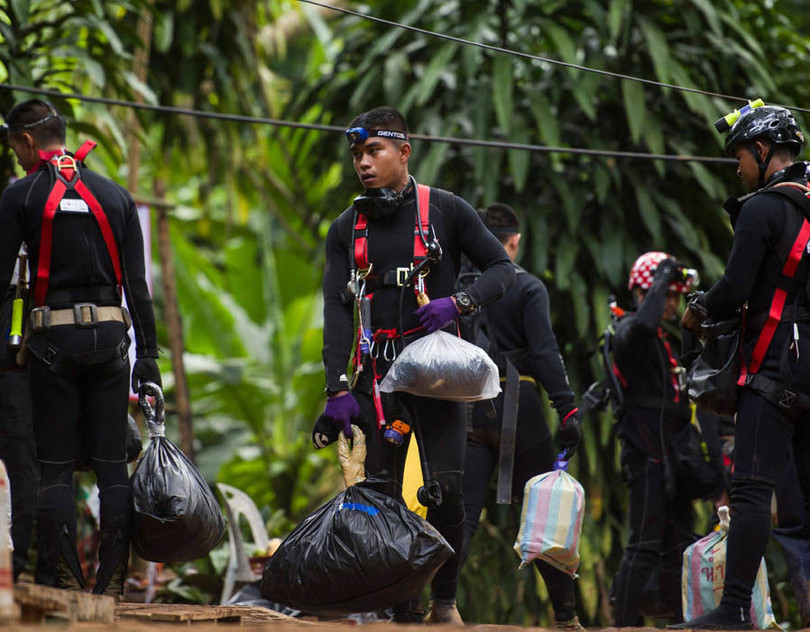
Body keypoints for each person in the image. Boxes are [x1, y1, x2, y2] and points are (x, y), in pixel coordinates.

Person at [318, 106, 514, 623]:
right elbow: (336, 309)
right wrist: (336, 387)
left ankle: (444, 603)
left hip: (437, 377)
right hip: (377, 381)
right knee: (381, 495)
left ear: (404, 152)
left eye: (374, 151)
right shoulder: (346, 227)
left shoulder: (445, 210)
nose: (363, 162)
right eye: (357, 154)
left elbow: (502, 270)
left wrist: (462, 303)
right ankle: (399, 608)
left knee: (446, 489)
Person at [0, 99, 160, 595]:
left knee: (55, 467)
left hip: (54, 344)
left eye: (16, 151)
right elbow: (138, 284)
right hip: (112, 342)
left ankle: (67, 581)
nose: (18, 161)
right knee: (113, 466)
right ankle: (111, 581)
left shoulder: (20, 196)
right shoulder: (115, 197)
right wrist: (148, 360)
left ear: (28, 142)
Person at [677, 103, 810, 629]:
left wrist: (700, 305)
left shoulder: (762, 208)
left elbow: (735, 288)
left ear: (763, 151)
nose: (738, 168)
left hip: (774, 361)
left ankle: (732, 611)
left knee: (753, 487)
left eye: (740, 156)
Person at [452, 203, 584, 629]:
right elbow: (545, 354)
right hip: (520, 403)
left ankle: (436, 605)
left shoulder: (458, 291)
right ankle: (565, 616)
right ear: (515, 241)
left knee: (462, 514)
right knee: (543, 513)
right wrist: (568, 408)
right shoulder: (528, 288)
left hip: (469, 406)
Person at [610, 251, 698, 626]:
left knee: (680, 544)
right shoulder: (629, 331)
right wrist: (660, 280)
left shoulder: (664, 342)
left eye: (677, 297)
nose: (672, 305)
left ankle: (680, 619)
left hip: (671, 461)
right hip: (645, 458)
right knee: (643, 546)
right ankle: (624, 624)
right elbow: (642, 326)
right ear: (646, 293)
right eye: (667, 296)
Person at [0, 247, 37, 580]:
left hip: (15, 377)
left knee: (21, 469)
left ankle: (16, 564)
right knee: (23, 470)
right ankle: (17, 564)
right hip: (14, 381)